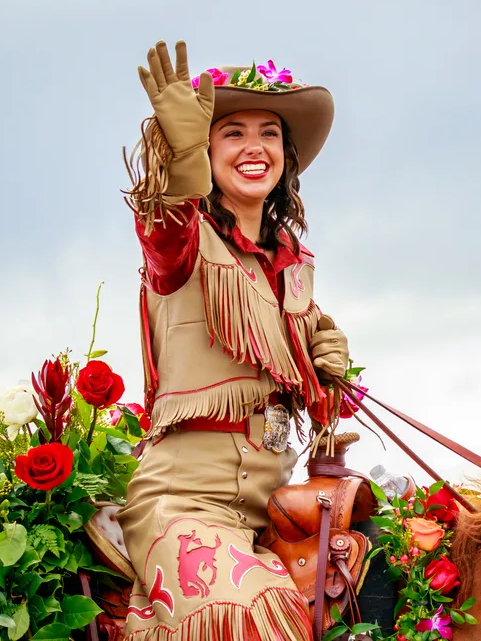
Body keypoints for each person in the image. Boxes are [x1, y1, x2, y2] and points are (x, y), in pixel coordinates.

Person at [116, 40, 350, 641]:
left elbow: (317, 405)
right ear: (206, 149)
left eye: (269, 133)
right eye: (233, 133)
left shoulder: (293, 270)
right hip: (184, 502)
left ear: (286, 156)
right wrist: (182, 152)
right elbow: (167, 217)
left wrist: (328, 370)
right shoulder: (183, 242)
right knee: (257, 614)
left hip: (276, 503)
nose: (255, 148)